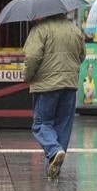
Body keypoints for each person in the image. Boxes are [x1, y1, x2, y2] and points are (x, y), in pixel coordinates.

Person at [23, 13, 85, 179]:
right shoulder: (75, 31)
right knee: (63, 125)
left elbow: (32, 56)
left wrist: (27, 76)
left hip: (46, 85)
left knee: (41, 123)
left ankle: (54, 150)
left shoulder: (40, 29)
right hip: (70, 84)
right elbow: (82, 56)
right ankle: (54, 164)